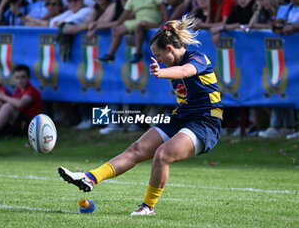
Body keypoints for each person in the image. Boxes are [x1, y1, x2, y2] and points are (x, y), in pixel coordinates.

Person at [58, 16, 223, 215]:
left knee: (162, 155)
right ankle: (90, 178)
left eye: (159, 55)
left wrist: (162, 73)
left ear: (170, 49)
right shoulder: (171, 66)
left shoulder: (196, 58)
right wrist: (165, 71)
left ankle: (147, 207)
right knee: (136, 148)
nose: (158, 60)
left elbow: (185, 71)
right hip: (182, 117)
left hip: (205, 122)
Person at [96, 0, 169, 64]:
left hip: (153, 22)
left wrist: (165, 23)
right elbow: (125, 14)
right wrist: (117, 24)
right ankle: (110, 55)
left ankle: (138, 53)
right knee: (117, 30)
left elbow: (164, 9)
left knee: (139, 26)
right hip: (138, 20)